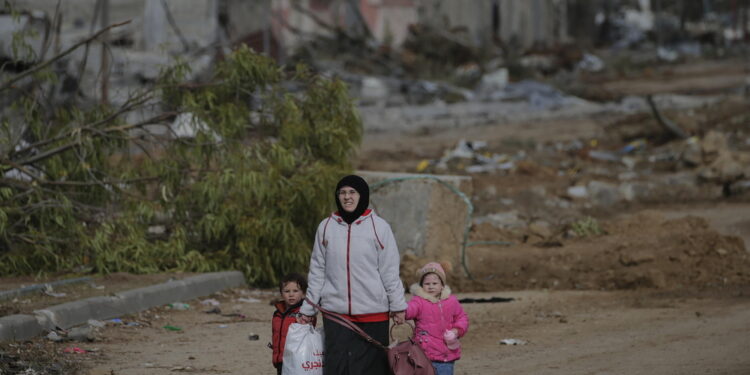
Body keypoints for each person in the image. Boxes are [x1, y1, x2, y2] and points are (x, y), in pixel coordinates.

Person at [298, 174, 407, 375]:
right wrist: (308, 309)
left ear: (362, 195)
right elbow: (317, 272)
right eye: (342, 193)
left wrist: (398, 305)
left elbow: (390, 271)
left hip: (373, 313)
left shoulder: (380, 227)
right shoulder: (326, 227)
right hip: (335, 314)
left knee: (371, 370)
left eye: (352, 192)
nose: (347, 197)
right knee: (338, 368)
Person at [405, 262, 469, 375]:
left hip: (446, 355)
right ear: (421, 286)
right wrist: (400, 309)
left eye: (435, 283)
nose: (431, 286)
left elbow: (462, 317)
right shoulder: (418, 302)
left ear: (442, 285)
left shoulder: (451, 301)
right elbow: (409, 311)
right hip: (424, 354)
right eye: (427, 283)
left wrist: (456, 330)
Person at [271, 273, 315, 375]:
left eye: (295, 291)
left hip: (298, 359)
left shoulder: (304, 313)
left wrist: (307, 318)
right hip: (280, 359)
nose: (291, 294)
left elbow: (311, 323)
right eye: (287, 291)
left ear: (303, 293)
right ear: (281, 294)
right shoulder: (277, 314)